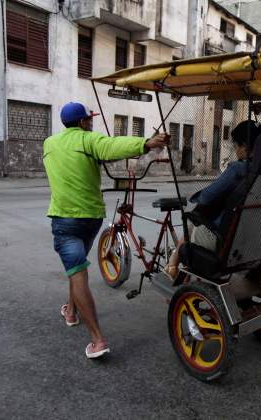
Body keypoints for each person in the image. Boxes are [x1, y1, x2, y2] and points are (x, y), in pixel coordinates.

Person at [43, 102, 169, 359]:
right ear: (81, 123)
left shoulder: (49, 144)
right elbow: (113, 146)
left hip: (64, 219)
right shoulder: (89, 140)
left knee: (76, 270)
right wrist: (147, 143)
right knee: (76, 268)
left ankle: (98, 341)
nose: (91, 123)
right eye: (89, 120)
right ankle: (71, 312)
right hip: (91, 219)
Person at [165, 120, 261, 278]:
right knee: (196, 221)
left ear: (245, 146)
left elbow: (206, 197)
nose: (236, 150)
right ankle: (173, 265)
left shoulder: (239, 169)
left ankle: (173, 267)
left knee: (193, 222)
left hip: (227, 239)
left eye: (236, 146)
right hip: (256, 235)